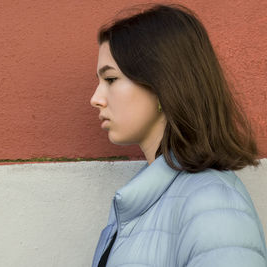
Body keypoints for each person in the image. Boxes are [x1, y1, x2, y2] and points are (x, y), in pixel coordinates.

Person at [90, 3, 267, 267]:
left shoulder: (211, 203)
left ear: (163, 84)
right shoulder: (148, 196)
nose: (96, 99)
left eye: (111, 80)